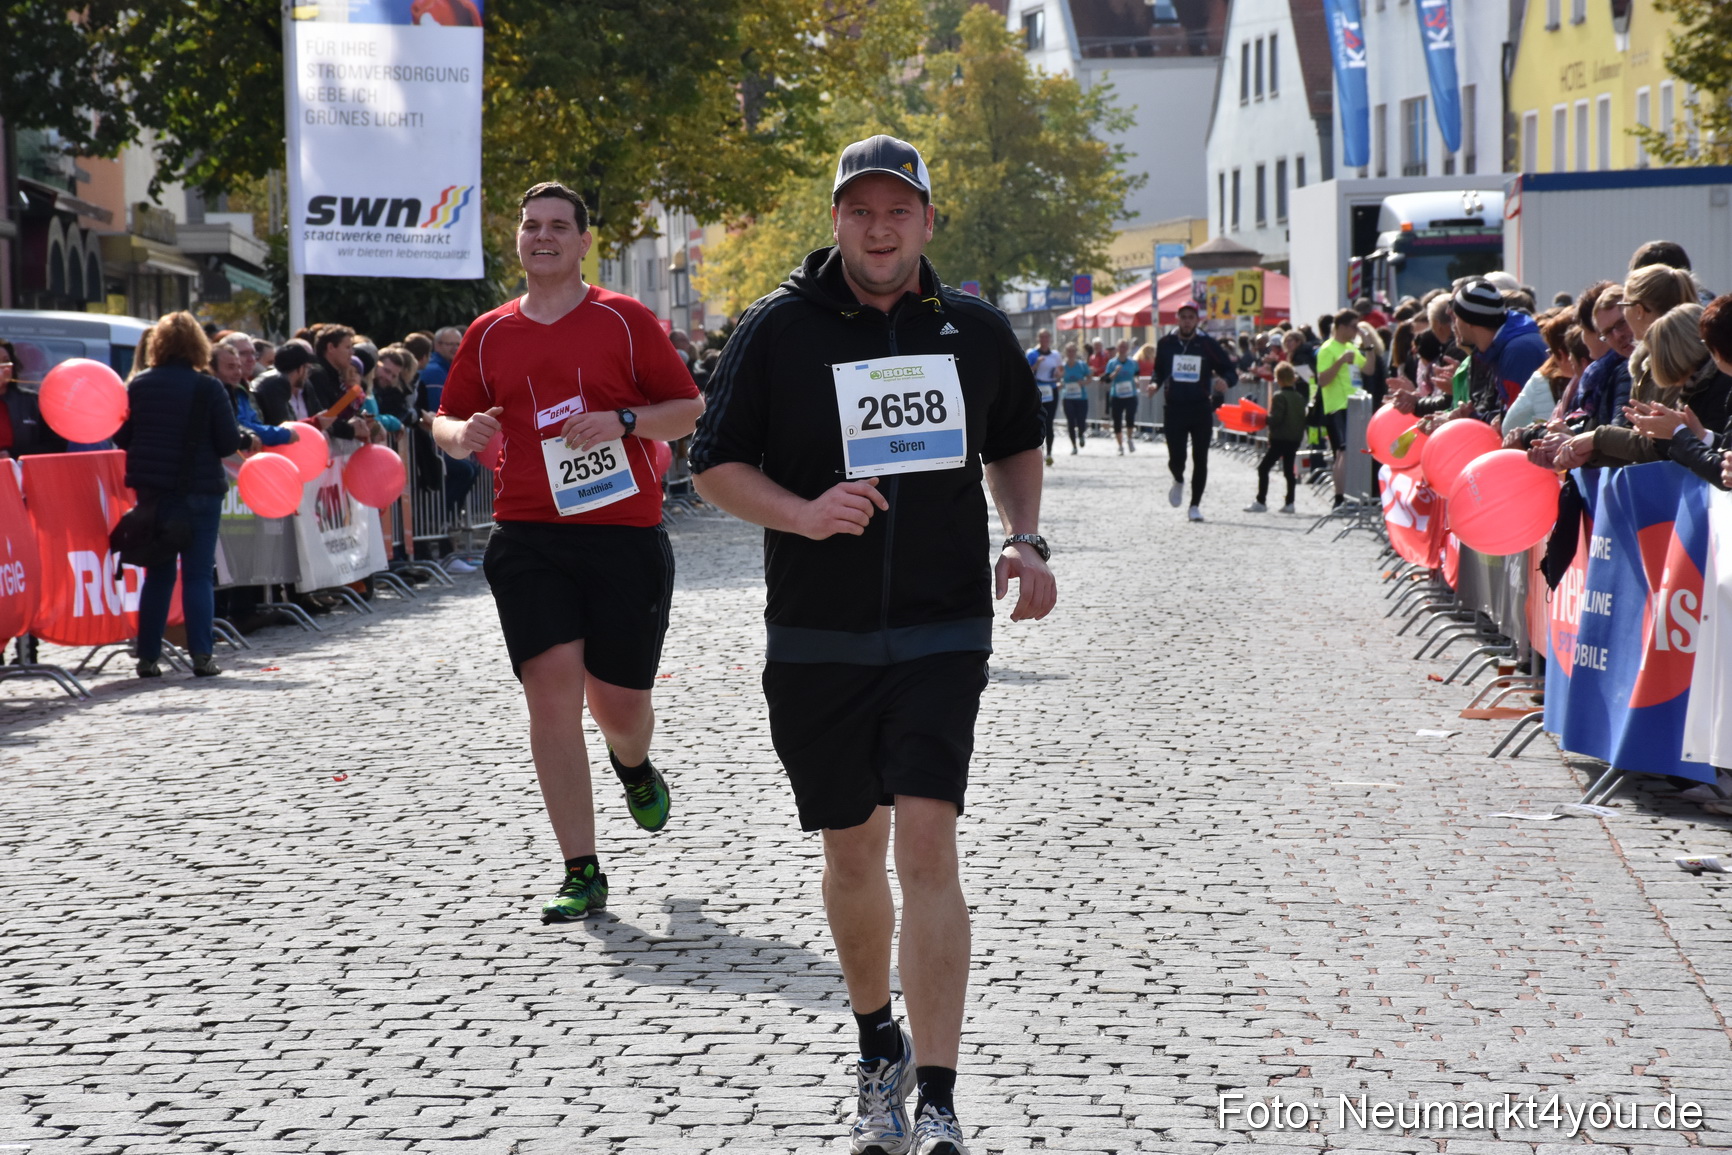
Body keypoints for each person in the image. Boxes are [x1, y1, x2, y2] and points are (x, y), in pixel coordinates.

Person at [688, 134, 1056, 1155]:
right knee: (852, 853)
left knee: (928, 844)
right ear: (838, 220)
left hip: (943, 627)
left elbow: (1016, 438)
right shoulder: (776, 329)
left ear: (927, 221)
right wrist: (803, 514)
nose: (881, 228)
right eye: (862, 210)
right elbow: (714, 464)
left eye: (899, 210)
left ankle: (936, 1095)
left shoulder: (973, 331)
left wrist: (1024, 539)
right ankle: (874, 1038)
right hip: (817, 634)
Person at [433, 181, 704, 924]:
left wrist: (623, 419)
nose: (542, 237)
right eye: (530, 227)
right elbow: (445, 418)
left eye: (558, 226)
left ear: (585, 242)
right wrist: (462, 436)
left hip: (623, 535)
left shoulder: (624, 320)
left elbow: (687, 408)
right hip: (529, 535)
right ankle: (580, 868)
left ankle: (634, 763)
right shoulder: (489, 333)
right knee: (550, 693)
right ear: (516, 240)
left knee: (619, 705)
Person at [111, 313, 240, 679]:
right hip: (200, 491)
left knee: (159, 574)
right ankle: (201, 655)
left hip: (155, 493)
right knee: (199, 574)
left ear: (158, 344)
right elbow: (228, 442)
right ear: (199, 345)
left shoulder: (139, 386)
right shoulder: (208, 387)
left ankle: (148, 657)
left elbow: (122, 436)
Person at [1623, 301, 1732, 482]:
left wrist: (1677, 433)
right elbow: (1724, 455)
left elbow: (1719, 471)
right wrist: (1699, 434)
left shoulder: (1720, 387)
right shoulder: (1703, 387)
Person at [1150, 302, 1236, 521]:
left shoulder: (1207, 344)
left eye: (1191, 317)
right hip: (1175, 407)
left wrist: (1225, 381)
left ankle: (1195, 506)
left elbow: (1229, 369)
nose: (1187, 321)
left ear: (1196, 320)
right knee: (1176, 457)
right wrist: (1154, 384)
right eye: (1183, 317)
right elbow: (1158, 372)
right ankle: (1178, 478)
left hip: (1200, 407)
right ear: (1177, 319)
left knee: (1201, 458)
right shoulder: (1166, 343)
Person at [1313, 309, 1366, 508]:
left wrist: (1367, 343)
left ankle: (1350, 496)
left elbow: (1368, 368)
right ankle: (1339, 498)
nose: (1356, 330)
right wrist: (1341, 362)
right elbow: (1323, 380)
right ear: (1342, 327)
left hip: (1355, 404)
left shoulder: (1352, 347)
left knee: (1350, 451)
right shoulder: (1327, 348)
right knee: (1343, 451)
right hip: (1337, 406)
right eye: (1354, 326)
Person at [1245, 363, 1305, 513]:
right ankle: (1290, 502)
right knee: (1289, 472)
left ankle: (1261, 501)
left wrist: (1265, 419)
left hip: (1280, 439)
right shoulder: (1299, 397)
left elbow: (1276, 419)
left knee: (1263, 468)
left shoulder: (1279, 396)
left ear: (1279, 379)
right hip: (1295, 439)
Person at [0, 339, 67, 458]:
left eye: (6, 361)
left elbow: (56, 445)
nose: (3, 368)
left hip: (21, 474)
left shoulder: (33, 402)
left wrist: (14, 455)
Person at [1027, 328, 1061, 465]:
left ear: (1050, 339)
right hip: (1038, 389)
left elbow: (1060, 371)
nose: (1045, 340)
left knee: (1049, 422)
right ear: (1038, 339)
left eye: (1047, 337)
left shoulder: (1055, 355)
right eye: (1042, 337)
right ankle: (1039, 449)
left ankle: (1050, 453)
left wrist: (1058, 375)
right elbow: (1026, 371)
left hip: (1051, 389)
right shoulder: (1032, 353)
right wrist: (1037, 364)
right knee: (1037, 421)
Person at [1102, 339, 1140, 454]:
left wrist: (1137, 381)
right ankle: (1120, 446)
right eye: (1121, 347)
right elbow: (1107, 379)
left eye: (1125, 347)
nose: (1122, 349)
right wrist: (1115, 373)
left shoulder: (1132, 362)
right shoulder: (1112, 363)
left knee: (1130, 418)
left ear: (1127, 349)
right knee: (1117, 420)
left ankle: (1129, 439)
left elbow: (1137, 374)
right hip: (1117, 395)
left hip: (1130, 394)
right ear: (1117, 348)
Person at [1059, 341, 1090, 454]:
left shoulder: (1082, 365)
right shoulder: (1062, 366)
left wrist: (1084, 382)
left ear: (1076, 352)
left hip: (1081, 397)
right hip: (1067, 397)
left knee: (1081, 420)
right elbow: (1057, 378)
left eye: (1073, 351)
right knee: (1070, 421)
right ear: (1065, 352)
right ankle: (1074, 446)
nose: (1071, 353)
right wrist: (1059, 383)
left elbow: (1089, 378)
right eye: (1069, 351)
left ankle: (1081, 434)